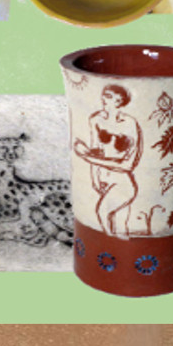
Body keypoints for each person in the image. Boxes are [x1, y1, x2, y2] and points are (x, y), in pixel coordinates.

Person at [72, 84, 142, 237]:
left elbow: (127, 165)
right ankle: (112, 248)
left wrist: (87, 158)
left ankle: (111, 245)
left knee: (103, 212)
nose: (104, 99)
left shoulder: (130, 123)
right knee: (119, 226)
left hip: (123, 182)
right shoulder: (95, 119)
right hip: (104, 179)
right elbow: (96, 150)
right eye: (104, 95)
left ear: (119, 101)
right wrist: (95, 178)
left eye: (109, 96)